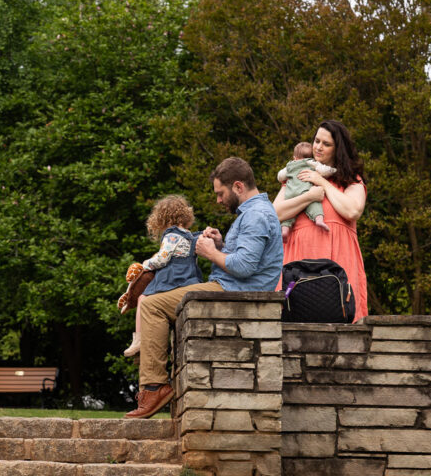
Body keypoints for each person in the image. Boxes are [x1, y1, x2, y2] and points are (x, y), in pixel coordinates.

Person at [125, 157, 283, 419]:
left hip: (235, 292)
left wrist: (210, 253)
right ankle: (154, 385)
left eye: (221, 193)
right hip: (232, 286)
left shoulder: (256, 215)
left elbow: (243, 268)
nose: (219, 200)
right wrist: (221, 245)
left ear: (238, 186)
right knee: (153, 299)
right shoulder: (256, 212)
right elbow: (246, 258)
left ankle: (154, 388)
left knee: (151, 305)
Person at [273, 120, 368, 321]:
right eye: (316, 141)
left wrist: (321, 181)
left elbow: (352, 211)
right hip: (299, 260)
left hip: (338, 260)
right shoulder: (298, 175)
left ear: (338, 149)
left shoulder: (351, 180)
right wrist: (309, 196)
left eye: (326, 144)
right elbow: (275, 215)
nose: (318, 147)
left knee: (342, 320)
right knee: (294, 320)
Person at [121, 195, 205, 358]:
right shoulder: (189, 236)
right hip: (188, 278)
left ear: (162, 219)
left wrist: (145, 264)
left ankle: (138, 340)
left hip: (172, 277)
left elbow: (163, 258)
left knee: (143, 299)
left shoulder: (171, 236)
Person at [277, 141, 336, 242]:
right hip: (305, 190)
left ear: (294, 157)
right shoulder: (310, 162)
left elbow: (280, 176)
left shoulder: (289, 166)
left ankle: (285, 230)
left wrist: (285, 179)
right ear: (311, 156)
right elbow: (324, 170)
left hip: (290, 193)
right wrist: (334, 170)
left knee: (289, 214)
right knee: (315, 205)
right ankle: (319, 220)